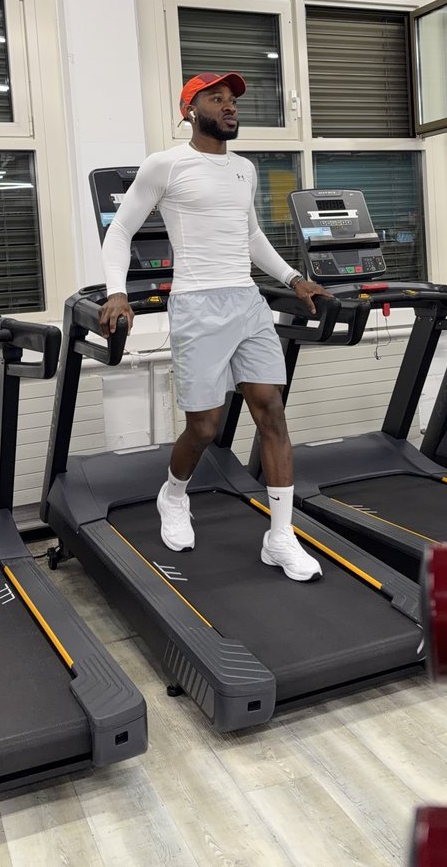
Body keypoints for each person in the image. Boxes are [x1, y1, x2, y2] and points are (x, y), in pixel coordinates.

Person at [98, 71, 332, 581]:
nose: (230, 107)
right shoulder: (166, 165)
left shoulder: (244, 169)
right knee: (204, 425)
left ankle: (280, 537)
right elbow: (120, 231)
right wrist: (117, 289)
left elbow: (251, 238)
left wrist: (294, 279)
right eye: (217, 99)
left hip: (246, 301)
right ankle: (173, 494)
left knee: (270, 409)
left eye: (233, 101)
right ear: (190, 110)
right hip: (197, 305)